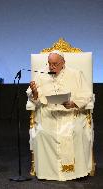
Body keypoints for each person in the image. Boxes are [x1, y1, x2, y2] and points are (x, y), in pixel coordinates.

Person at [27, 50, 93, 181]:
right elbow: (34, 97)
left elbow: (87, 94)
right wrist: (34, 92)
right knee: (44, 132)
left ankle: (74, 172)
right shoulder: (41, 74)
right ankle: (49, 173)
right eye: (49, 64)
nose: (51, 67)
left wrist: (74, 103)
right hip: (48, 113)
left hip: (71, 114)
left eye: (55, 64)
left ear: (63, 63)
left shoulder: (76, 74)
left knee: (77, 130)